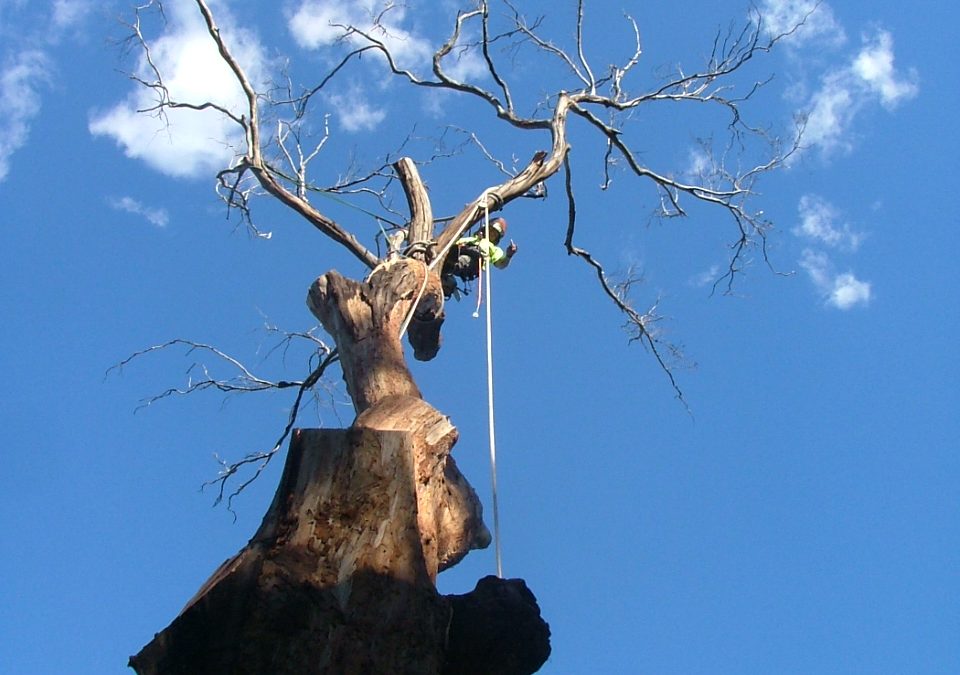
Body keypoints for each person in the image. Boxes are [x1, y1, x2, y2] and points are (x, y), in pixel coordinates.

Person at [442, 218, 517, 298]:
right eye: (490, 231)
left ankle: (451, 265)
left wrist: (508, 255)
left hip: (475, 260)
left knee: (464, 260)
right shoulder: (469, 239)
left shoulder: (494, 249)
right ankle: (444, 265)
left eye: (494, 235)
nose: (491, 235)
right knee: (452, 250)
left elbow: (500, 264)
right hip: (459, 251)